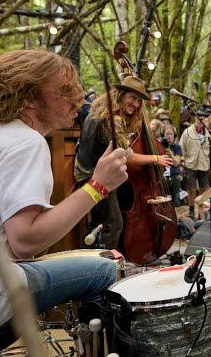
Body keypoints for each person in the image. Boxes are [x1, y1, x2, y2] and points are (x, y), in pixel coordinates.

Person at [0, 50, 128, 357]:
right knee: (103, 270)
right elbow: (26, 241)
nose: (76, 101)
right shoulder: (24, 141)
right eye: (64, 92)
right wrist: (98, 186)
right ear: (29, 98)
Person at [74, 75, 173, 249]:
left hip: (87, 172)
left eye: (138, 101)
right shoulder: (112, 119)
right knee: (113, 223)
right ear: (120, 95)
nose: (136, 105)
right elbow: (126, 154)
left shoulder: (99, 112)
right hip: (94, 176)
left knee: (100, 223)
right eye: (133, 98)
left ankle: (93, 260)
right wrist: (156, 158)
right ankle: (101, 267)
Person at [180, 114, 211, 217]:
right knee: (191, 189)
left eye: (203, 118)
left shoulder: (208, 132)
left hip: (205, 164)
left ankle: (202, 210)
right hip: (191, 164)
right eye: (198, 117)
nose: (200, 120)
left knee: (204, 188)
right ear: (194, 118)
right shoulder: (187, 132)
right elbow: (182, 147)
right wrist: (183, 161)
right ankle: (191, 209)